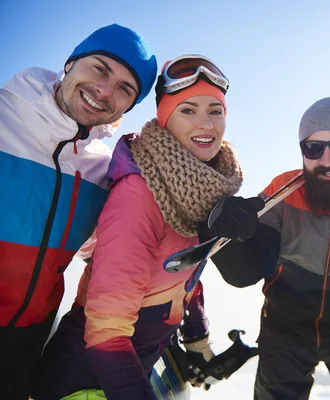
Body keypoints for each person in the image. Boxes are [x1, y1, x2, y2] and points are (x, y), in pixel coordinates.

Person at [35, 55, 244, 399]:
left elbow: (183, 272)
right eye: (188, 110)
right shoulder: (140, 193)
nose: (206, 124)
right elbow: (106, 330)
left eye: (215, 111)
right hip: (87, 381)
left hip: (137, 366)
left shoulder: (196, 185)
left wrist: (196, 338)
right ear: (165, 118)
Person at [205, 96, 330, 400]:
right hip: (285, 329)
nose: (326, 160)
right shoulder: (285, 191)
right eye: (313, 148)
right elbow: (245, 271)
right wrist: (227, 234)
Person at [0, 23, 157, 399]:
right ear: (70, 64)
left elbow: (106, 250)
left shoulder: (101, 171)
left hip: (25, 345)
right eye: (100, 68)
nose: (105, 91)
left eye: (125, 89)